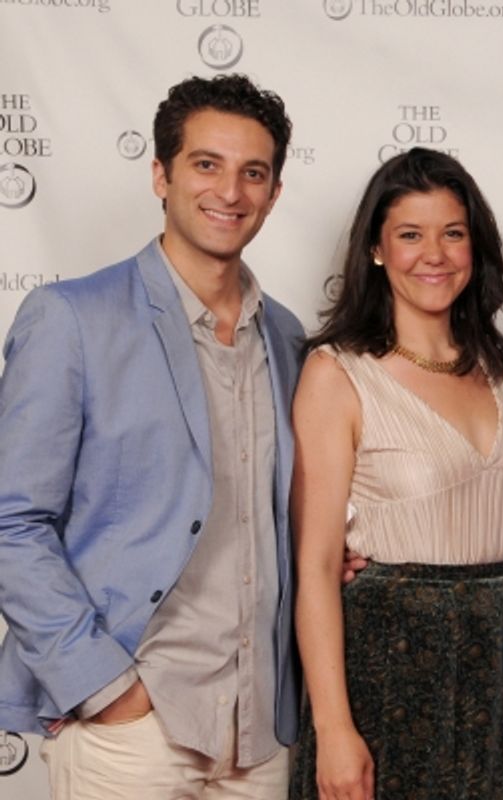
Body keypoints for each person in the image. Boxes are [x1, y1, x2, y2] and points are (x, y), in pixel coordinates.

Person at [0, 74, 303, 798]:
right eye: (207, 164)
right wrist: (102, 684)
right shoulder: (70, 318)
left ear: (274, 192)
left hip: (260, 735)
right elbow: (12, 520)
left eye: (252, 172)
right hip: (132, 727)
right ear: (161, 175)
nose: (230, 191)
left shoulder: (289, 338)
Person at [287, 148, 503, 800]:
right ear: (376, 250)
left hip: (494, 671)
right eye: (410, 234)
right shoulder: (337, 374)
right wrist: (334, 726)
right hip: (383, 671)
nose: (435, 253)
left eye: (453, 233)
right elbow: (314, 567)